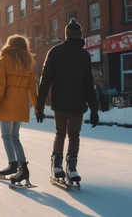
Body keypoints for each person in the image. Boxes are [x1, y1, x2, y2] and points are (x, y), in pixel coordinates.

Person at [37, 18, 99, 188]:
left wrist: (40, 106)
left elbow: (45, 81)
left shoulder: (54, 52)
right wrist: (94, 109)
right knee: (74, 136)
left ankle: (57, 164)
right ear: (80, 36)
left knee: (60, 134)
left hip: (60, 103)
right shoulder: (84, 55)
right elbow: (89, 83)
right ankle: (71, 167)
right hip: (77, 105)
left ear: (65, 35)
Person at [0, 35, 38, 186]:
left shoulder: (4, 61)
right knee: (15, 137)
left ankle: (13, 164)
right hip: (21, 105)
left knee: (6, 136)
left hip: (7, 105)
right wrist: (37, 107)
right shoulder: (28, 65)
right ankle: (22, 168)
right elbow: (32, 88)